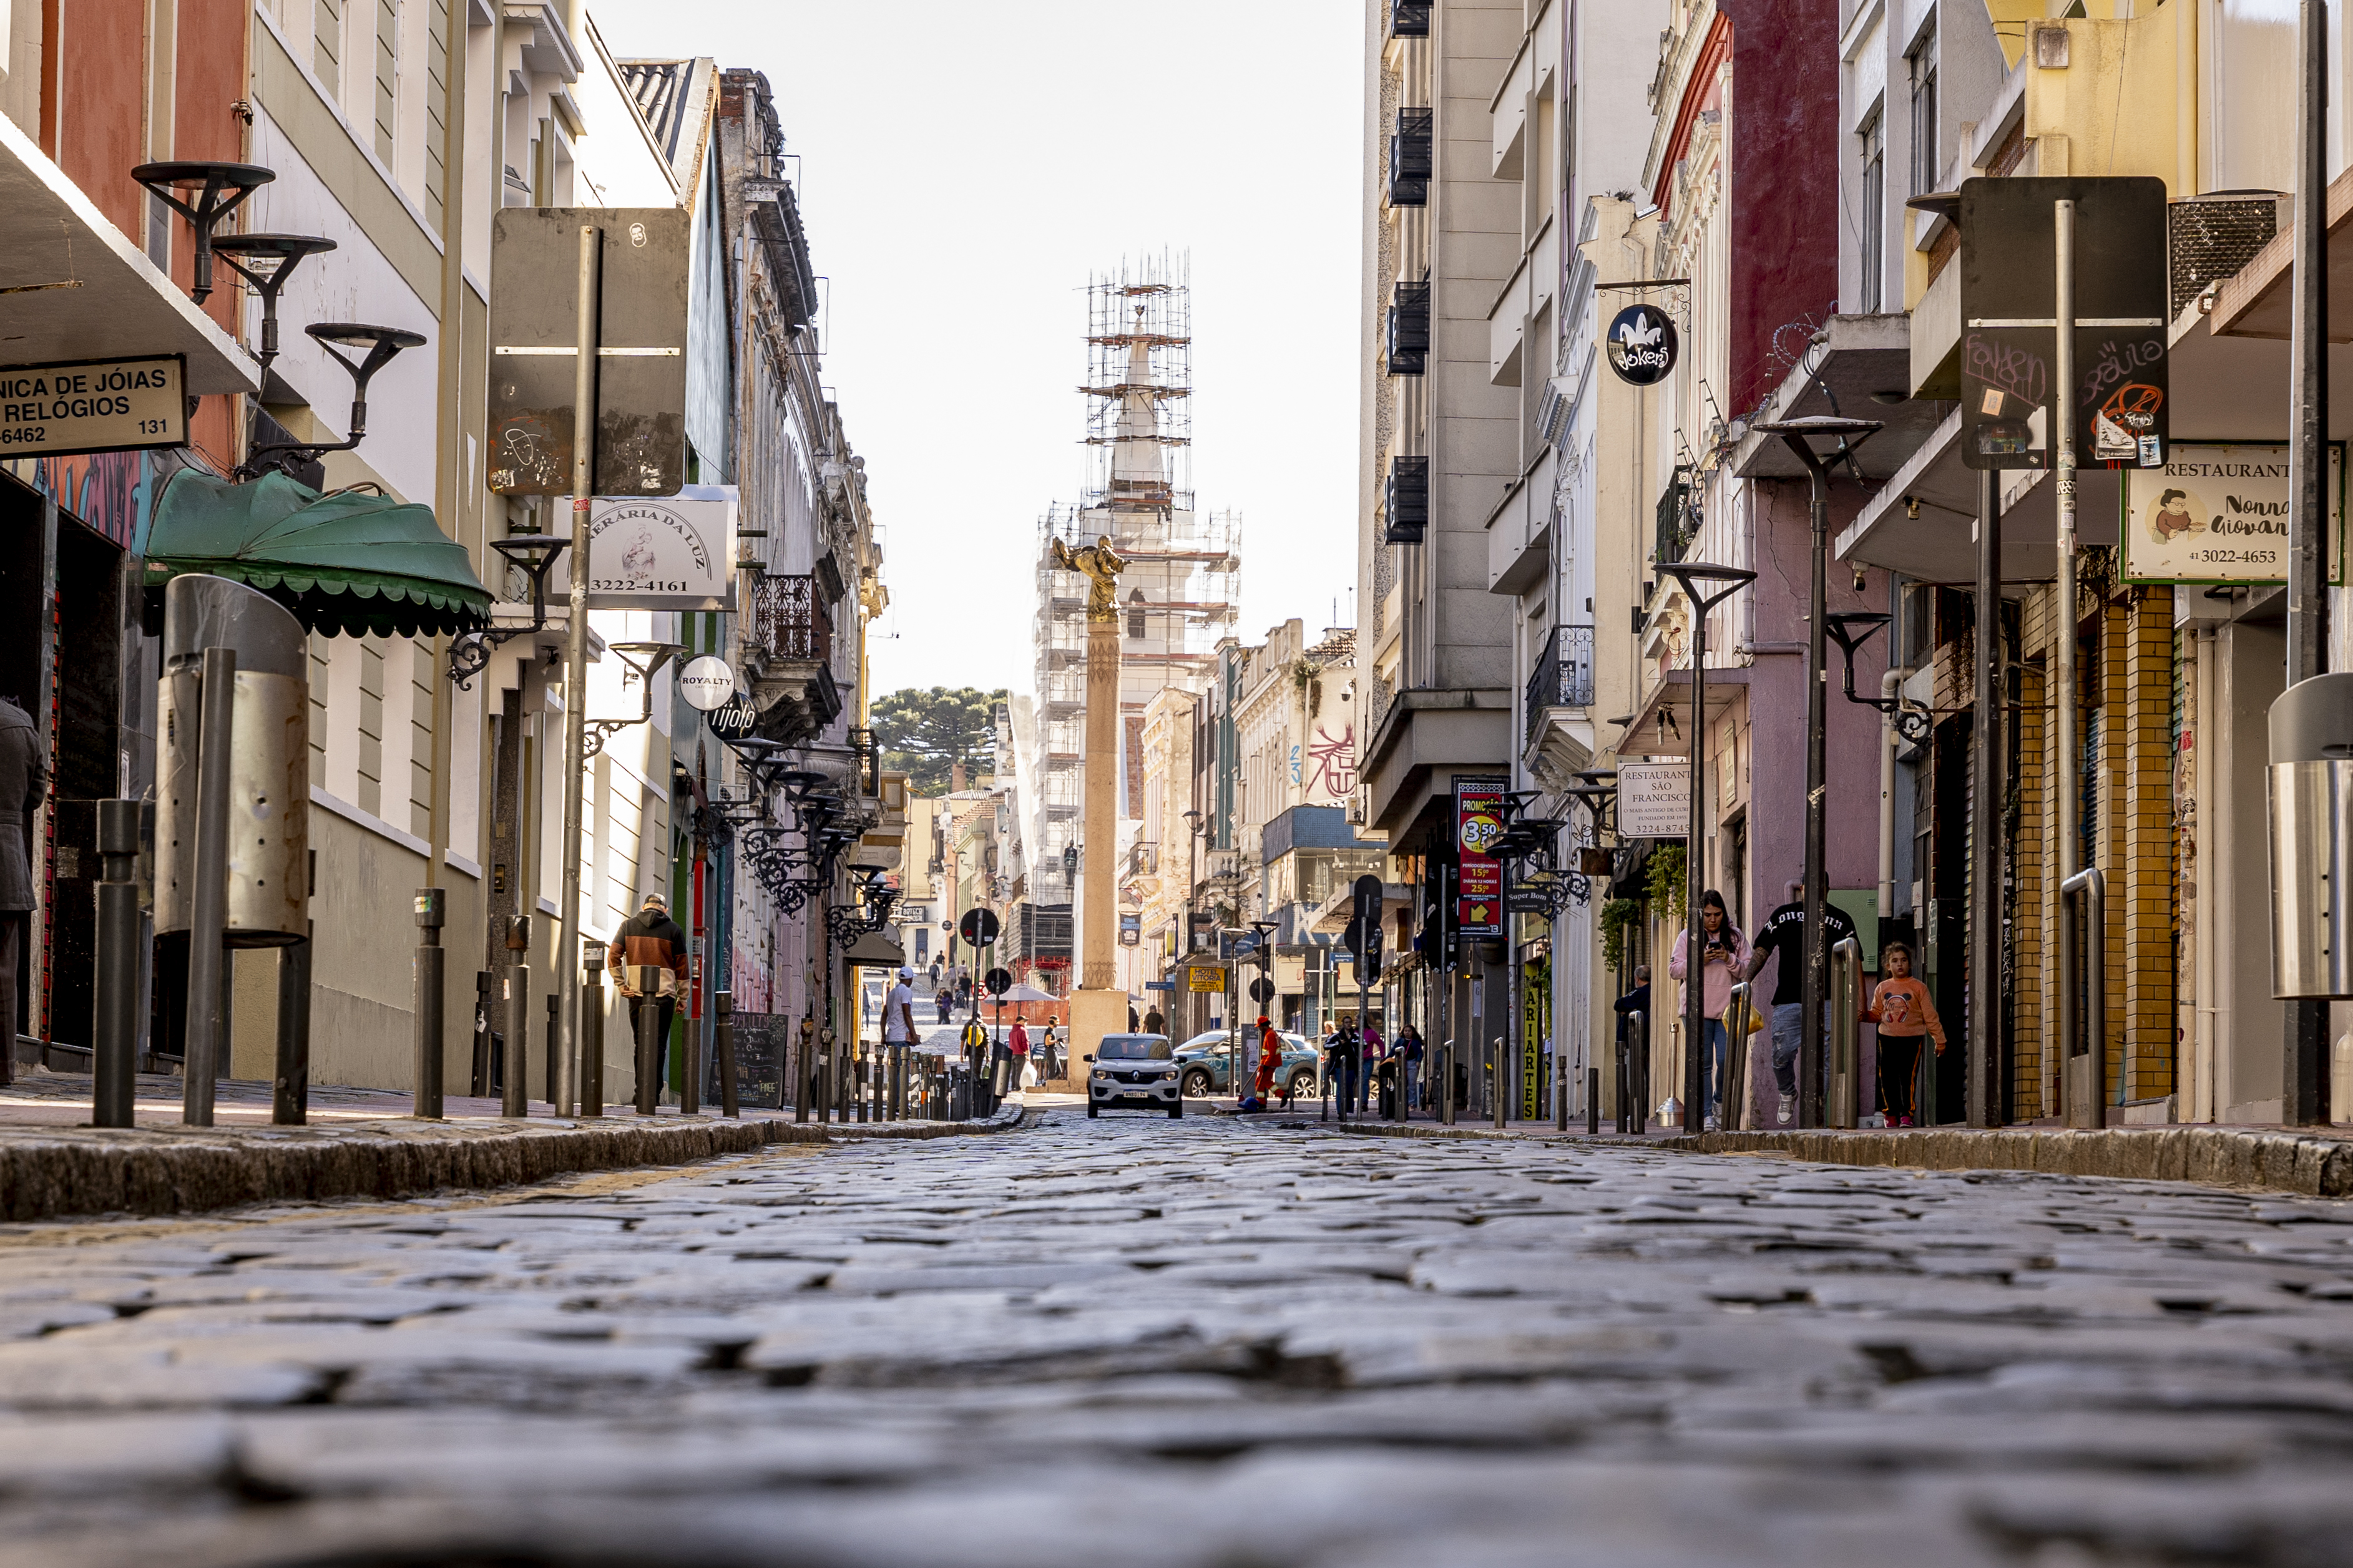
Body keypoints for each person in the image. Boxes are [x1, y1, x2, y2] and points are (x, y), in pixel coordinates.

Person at [1745, 881, 1860, 1126]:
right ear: (1802, 888)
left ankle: (1816, 1107)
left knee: (1827, 1058)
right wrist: (1746, 982)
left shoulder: (1841, 919)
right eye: (1811, 887)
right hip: (1788, 1000)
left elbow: (1855, 958)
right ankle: (1787, 1093)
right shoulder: (1783, 914)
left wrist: (1861, 999)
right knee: (1782, 1053)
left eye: (1821, 887)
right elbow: (1763, 949)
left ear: (1827, 890)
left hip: (1827, 1001)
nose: (1816, 891)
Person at [1667, 890, 1749, 1132]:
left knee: (1725, 1060)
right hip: (1696, 1009)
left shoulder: (1735, 937)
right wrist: (1699, 960)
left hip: (1727, 1010)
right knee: (1702, 1064)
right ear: (1699, 915)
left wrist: (1728, 958)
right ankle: (1706, 1115)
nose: (1713, 920)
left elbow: (1747, 969)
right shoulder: (1688, 936)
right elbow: (1674, 970)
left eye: (1717, 914)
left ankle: (1719, 1101)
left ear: (1724, 913)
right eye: (1707, 915)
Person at [609, 892, 688, 1102]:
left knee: (641, 1043)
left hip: (637, 994)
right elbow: (682, 966)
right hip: (664, 995)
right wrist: (683, 997)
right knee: (659, 1045)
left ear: (643, 907)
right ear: (665, 910)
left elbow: (613, 955)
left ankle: (641, 1092)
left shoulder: (628, 926)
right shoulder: (674, 930)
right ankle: (653, 1093)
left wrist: (621, 984)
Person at [0, 695, 41, 1087]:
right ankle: (3, 1067)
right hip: (7, 865)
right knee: (3, 976)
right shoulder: (21, 723)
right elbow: (35, 795)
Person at [1866, 940, 1945, 1127]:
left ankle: (1907, 1115)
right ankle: (1891, 1114)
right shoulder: (1882, 988)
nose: (1899, 964)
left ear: (1910, 964)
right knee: (1887, 1076)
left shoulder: (1918, 987)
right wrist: (1864, 1016)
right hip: (1887, 1038)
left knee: (1908, 1077)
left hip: (1912, 1039)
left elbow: (1930, 1016)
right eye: (1894, 961)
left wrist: (1940, 1040)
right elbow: (1876, 1013)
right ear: (1888, 966)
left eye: (1903, 960)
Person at [884, 966, 919, 1052]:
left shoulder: (892, 993)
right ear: (910, 979)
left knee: (894, 1060)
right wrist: (914, 1035)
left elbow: (884, 1016)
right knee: (902, 1061)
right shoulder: (906, 991)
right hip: (900, 1038)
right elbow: (907, 1014)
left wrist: (883, 1036)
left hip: (891, 1037)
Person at [1397, 1025, 1425, 1112]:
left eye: (1409, 1031)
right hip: (1402, 1064)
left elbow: (1420, 1053)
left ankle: (1412, 1104)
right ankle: (1401, 1102)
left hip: (1413, 1063)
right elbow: (1394, 1050)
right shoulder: (1400, 1041)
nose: (1407, 1033)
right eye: (1405, 1031)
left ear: (1413, 1032)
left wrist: (1418, 1061)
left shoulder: (1416, 1042)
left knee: (1412, 1084)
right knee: (1401, 1083)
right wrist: (1387, 1058)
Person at [1009, 1017, 1031, 1089]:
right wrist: (1028, 1054)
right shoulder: (1023, 1031)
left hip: (1012, 1054)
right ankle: (1018, 1087)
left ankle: (1013, 1086)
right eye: (1025, 1022)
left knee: (1014, 1072)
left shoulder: (1011, 1032)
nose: (1026, 1024)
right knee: (1019, 1072)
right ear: (1021, 1022)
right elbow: (1025, 1043)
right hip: (1020, 1054)